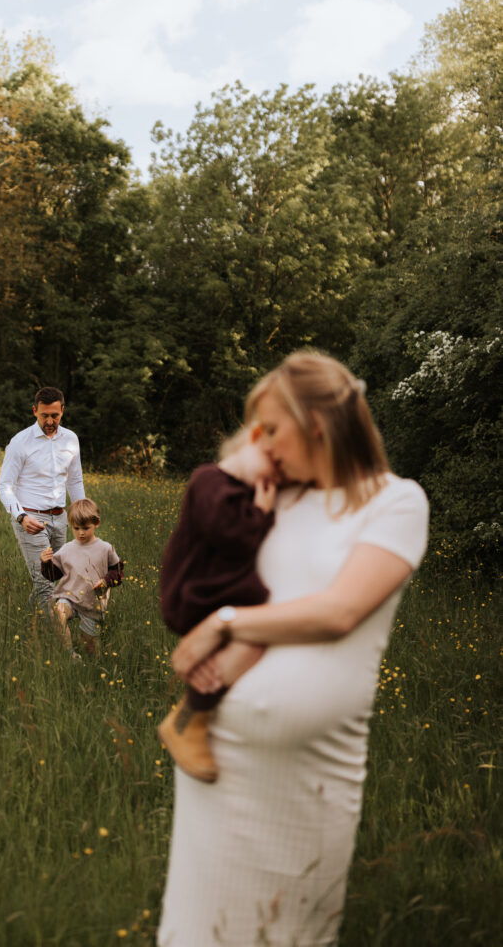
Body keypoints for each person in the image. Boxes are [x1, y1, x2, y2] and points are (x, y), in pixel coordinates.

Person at [157, 350, 429, 947]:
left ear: (319, 422)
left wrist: (226, 624)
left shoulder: (395, 502)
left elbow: (339, 612)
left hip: (308, 777)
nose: (266, 444)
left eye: (274, 428)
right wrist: (249, 459)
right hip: (216, 765)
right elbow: (209, 519)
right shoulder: (271, 494)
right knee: (199, 933)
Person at [157, 427, 277, 783]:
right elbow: (230, 534)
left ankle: (196, 708)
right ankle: (191, 717)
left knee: (255, 639)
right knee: (258, 626)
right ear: (254, 438)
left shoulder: (241, 489)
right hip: (193, 594)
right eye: (273, 462)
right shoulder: (209, 479)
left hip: (211, 591)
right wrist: (263, 514)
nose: (273, 477)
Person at [0, 387, 86, 620]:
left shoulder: (71, 439)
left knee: (55, 577)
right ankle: (63, 651)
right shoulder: (20, 442)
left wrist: (81, 514)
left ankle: (28, 620)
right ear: (35, 411)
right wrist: (21, 517)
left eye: (54, 415)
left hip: (60, 519)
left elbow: (75, 480)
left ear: (62, 411)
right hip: (31, 519)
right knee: (46, 583)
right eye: (44, 415)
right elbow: (5, 486)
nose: (49, 421)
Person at [40, 498, 123, 659]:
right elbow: (52, 575)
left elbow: (118, 572)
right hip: (69, 598)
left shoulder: (105, 549)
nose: (81, 533)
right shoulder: (66, 549)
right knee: (58, 612)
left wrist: (106, 580)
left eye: (86, 528)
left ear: (96, 523)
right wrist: (45, 563)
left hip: (92, 604)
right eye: (76, 528)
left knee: (91, 649)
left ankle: (94, 667)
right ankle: (70, 655)